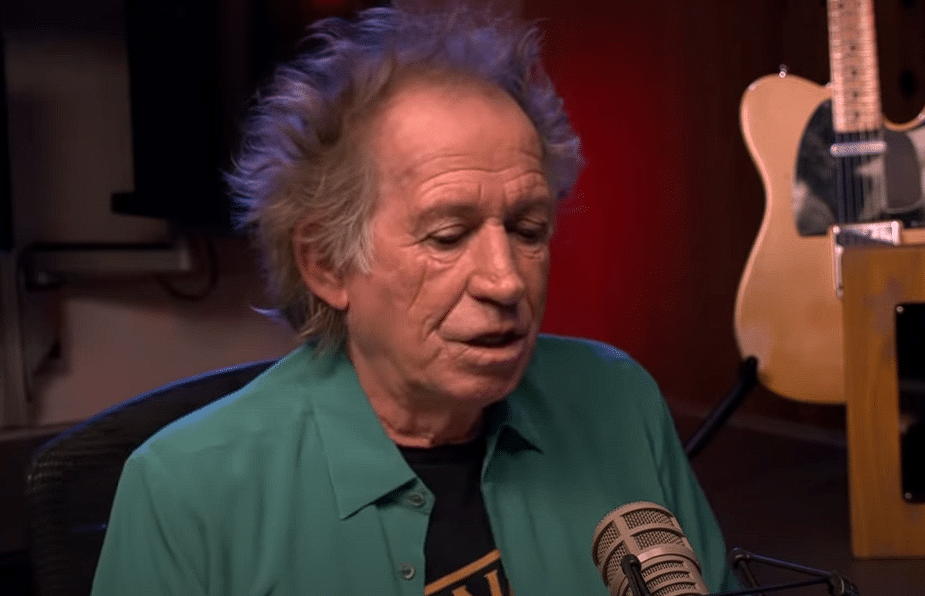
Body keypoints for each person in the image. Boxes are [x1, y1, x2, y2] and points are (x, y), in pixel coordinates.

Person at [91, 5, 739, 596]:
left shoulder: (617, 400)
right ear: (326, 263)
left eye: (527, 229)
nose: (505, 281)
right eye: (448, 236)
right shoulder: (185, 490)